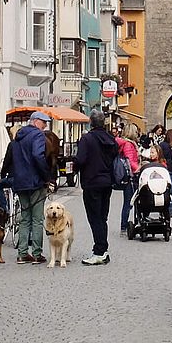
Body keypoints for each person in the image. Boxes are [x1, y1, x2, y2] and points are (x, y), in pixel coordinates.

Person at [74, 109, 119, 266]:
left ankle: (99, 251)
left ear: (91, 122)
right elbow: (114, 155)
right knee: (102, 217)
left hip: (92, 182)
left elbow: (80, 160)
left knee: (94, 218)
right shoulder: (110, 139)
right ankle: (103, 249)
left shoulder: (87, 139)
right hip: (107, 182)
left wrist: (75, 168)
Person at [12, 110, 52, 264]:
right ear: (35, 121)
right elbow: (37, 155)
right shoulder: (37, 135)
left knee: (24, 218)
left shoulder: (18, 136)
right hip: (35, 182)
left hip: (20, 182)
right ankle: (36, 253)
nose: (45, 126)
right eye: (43, 123)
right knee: (37, 219)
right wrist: (46, 176)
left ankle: (22, 253)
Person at [117, 124, 141, 234]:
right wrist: (138, 168)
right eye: (136, 132)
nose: (137, 134)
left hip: (131, 175)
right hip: (131, 176)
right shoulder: (128, 145)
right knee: (128, 202)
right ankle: (124, 225)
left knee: (129, 201)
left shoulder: (128, 144)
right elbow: (129, 160)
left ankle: (127, 223)